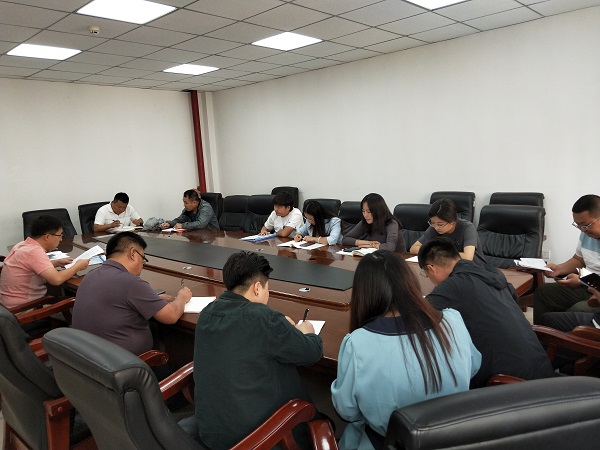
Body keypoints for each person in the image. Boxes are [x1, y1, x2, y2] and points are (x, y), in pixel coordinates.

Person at [331, 251, 481, 450]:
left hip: (388, 442)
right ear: (409, 283)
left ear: (363, 293)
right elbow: (473, 367)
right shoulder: (452, 320)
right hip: (453, 438)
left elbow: (347, 411)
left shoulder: (357, 343)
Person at [193, 251, 323, 449]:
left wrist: (281, 327)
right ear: (256, 288)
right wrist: (307, 332)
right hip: (255, 439)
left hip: (211, 433)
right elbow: (312, 353)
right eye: (267, 287)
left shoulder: (207, 313)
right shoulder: (264, 318)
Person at [418, 238, 554, 387]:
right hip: (542, 370)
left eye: (426, 274)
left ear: (431, 268)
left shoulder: (452, 286)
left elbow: (417, 313)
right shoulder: (491, 271)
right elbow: (514, 298)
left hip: (510, 385)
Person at [72, 232, 191, 356]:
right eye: (143, 258)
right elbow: (171, 316)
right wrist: (182, 297)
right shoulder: (131, 282)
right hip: (124, 362)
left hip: (87, 357)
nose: (142, 264)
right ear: (133, 253)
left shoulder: (91, 274)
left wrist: (155, 300)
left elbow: (116, 301)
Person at [533, 194, 600, 324]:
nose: (582, 230)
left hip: (595, 289)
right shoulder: (586, 234)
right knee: (543, 292)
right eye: (578, 225)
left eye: (585, 225)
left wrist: (581, 281)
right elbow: (579, 260)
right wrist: (559, 269)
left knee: (577, 309)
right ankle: (541, 335)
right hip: (588, 285)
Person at [0, 215, 89, 308]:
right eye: (60, 235)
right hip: (24, 308)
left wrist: (56, 263)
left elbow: (29, 266)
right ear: (47, 237)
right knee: (79, 301)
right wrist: (78, 266)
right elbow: (56, 280)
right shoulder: (34, 252)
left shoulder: (22, 245)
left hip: (7, 304)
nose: (61, 239)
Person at [410, 198, 485, 263]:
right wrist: (437, 254)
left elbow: (468, 257)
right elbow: (413, 248)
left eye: (440, 224)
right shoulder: (435, 227)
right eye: (432, 223)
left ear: (452, 221)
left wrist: (439, 254)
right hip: (449, 266)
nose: (436, 227)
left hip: (474, 268)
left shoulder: (468, 227)